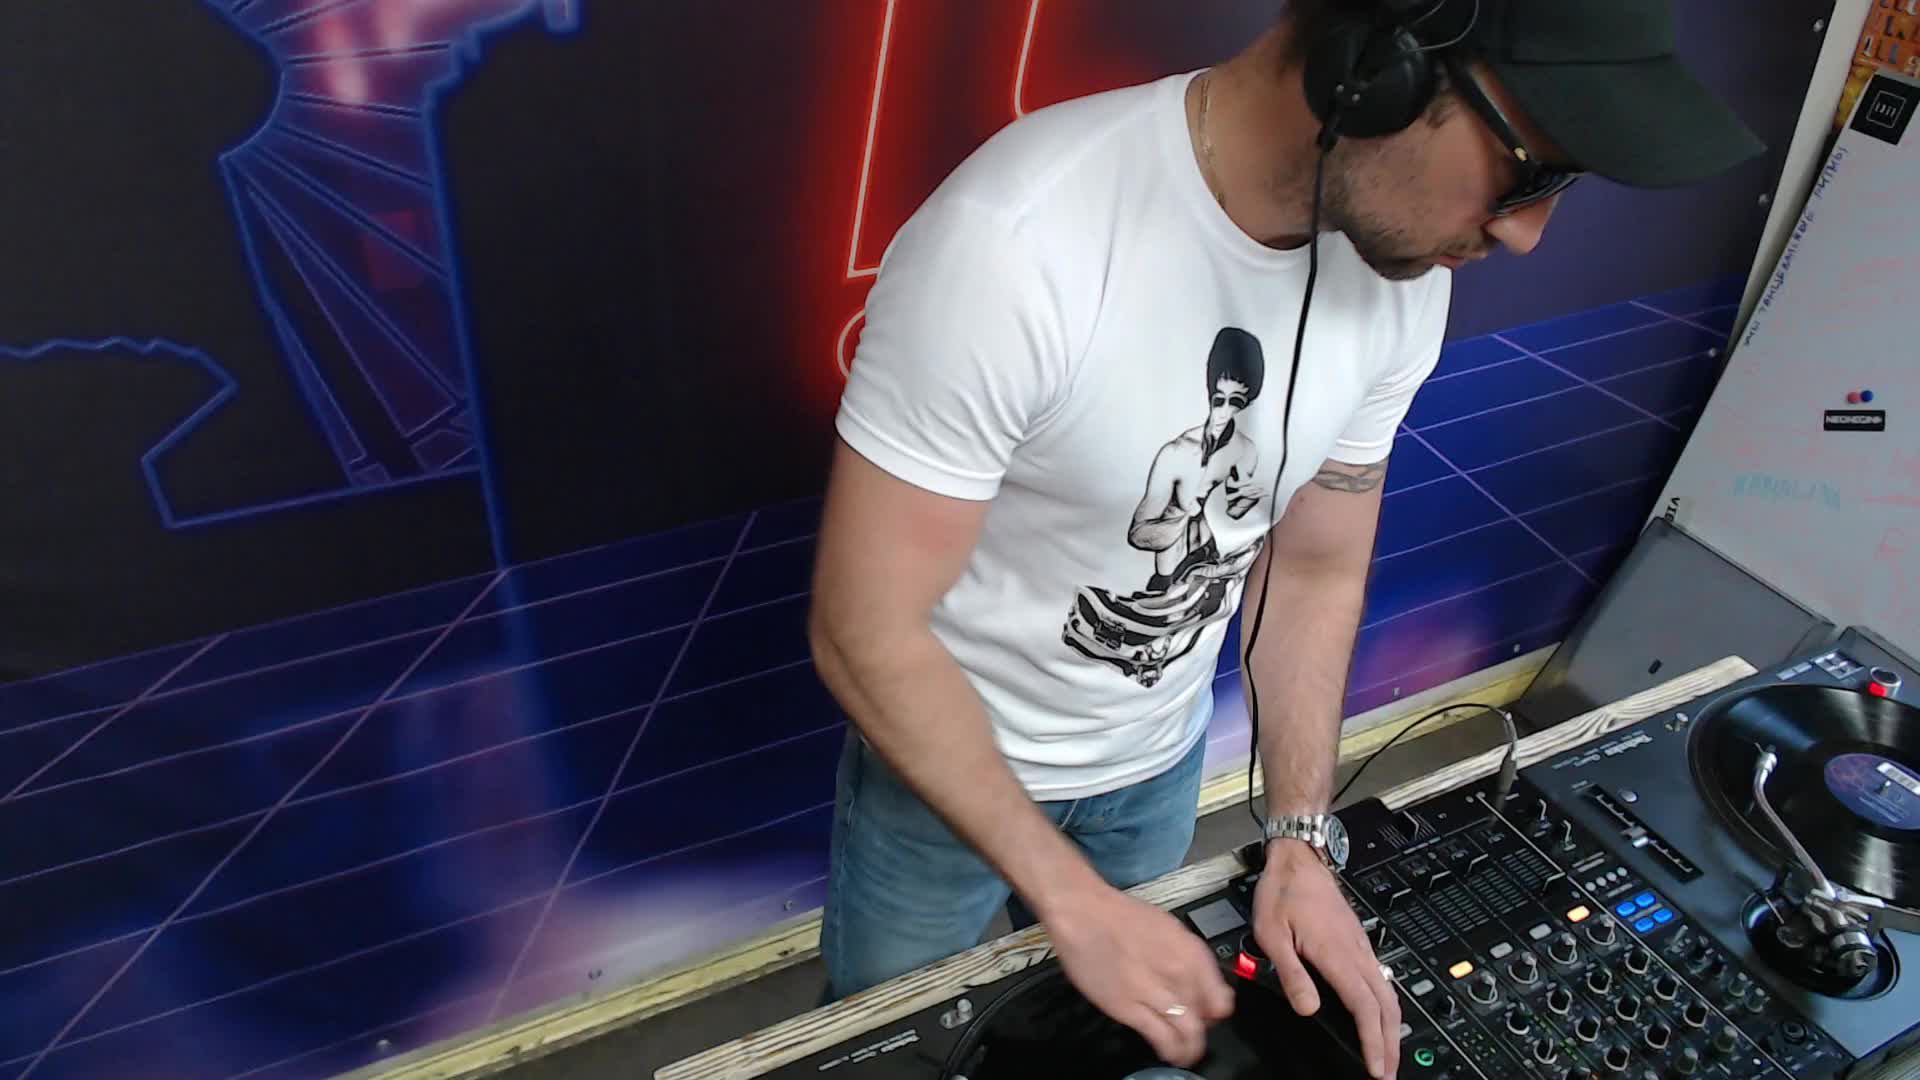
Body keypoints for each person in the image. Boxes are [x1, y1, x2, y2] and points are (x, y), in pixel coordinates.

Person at [806, 1, 1763, 1077]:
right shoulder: (1014, 245)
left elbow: (1311, 567)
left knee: (1113, 1045)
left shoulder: (1403, 283)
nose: (1525, 233)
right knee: (882, 1057)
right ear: (1379, 69)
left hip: (1156, 767)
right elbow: (865, 630)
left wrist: (1302, 838)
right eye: (1526, 170)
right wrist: (1069, 900)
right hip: (939, 777)